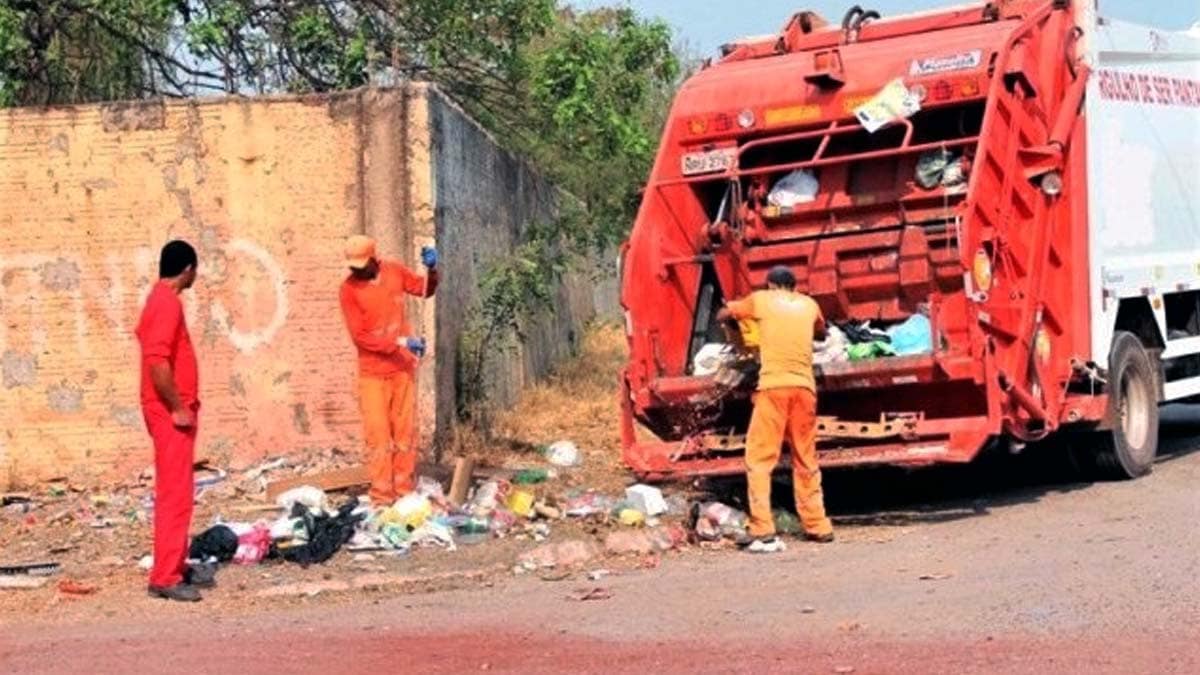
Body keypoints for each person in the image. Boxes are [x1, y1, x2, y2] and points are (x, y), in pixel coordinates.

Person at [717, 265, 835, 553]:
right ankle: (818, 525)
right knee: (805, 459)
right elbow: (821, 334)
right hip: (804, 389)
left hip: (773, 388)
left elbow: (724, 313)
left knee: (760, 459)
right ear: (794, 286)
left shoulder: (761, 300)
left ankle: (762, 527)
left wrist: (734, 326)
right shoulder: (809, 304)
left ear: (770, 285)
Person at [339, 235, 438, 506]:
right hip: (372, 374)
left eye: (362, 265)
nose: (357, 270)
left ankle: (404, 492)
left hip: (401, 369)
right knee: (378, 437)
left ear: (374, 259)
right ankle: (382, 497)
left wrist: (432, 270)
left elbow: (424, 289)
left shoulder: (394, 271)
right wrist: (401, 342)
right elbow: (360, 337)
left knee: (405, 433)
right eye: (353, 266)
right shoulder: (348, 290)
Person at [136, 240, 206, 601]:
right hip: (169, 413)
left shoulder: (159, 299)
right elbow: (157, 362)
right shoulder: (167, 303)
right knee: (175, 495)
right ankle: (165, 576)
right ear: (188, 269)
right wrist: (177, 406)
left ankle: (174, 564)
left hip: (166, 409)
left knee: (178, 491)